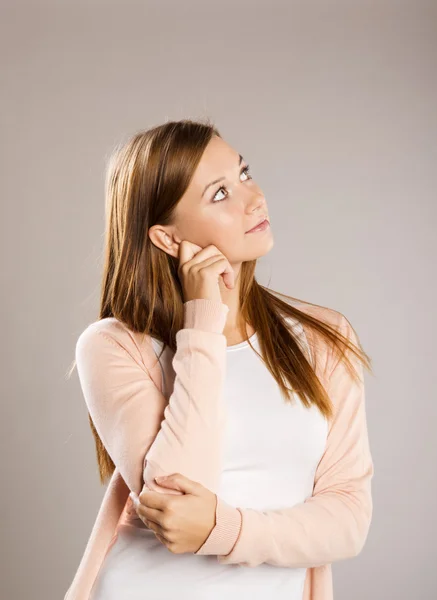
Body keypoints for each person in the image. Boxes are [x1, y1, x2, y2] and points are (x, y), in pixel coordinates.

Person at [64, 118, 374, 600]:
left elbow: (349, 519)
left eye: (244, 173)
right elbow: (177, 496)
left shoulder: (323, 339)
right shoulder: (115, 345)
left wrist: (220, 528)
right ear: (167, 239)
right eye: (219, 193)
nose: (255, 198)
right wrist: (203, 323)